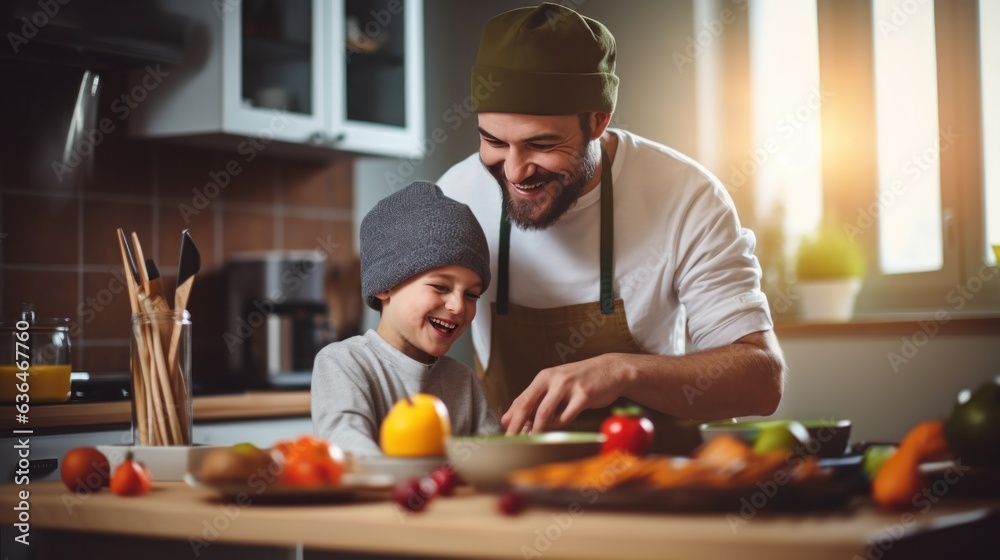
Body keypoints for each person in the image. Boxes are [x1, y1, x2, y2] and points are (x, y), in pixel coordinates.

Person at [436, 3, 786, 454]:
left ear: (598, 121)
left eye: (541, 144)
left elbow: (761, 379)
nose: (516, 171)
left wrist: (621, 371)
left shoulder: (687, 196)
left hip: (651, 478)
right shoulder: (456, 195)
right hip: (514, 481)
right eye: (494, 141)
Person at [311, 181, 502, 456]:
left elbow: (491, 455)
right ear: (385, 285)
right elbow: (348, 444)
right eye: (440, 287)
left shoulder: (463, 381)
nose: (458, 306)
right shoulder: (343, 363)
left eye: (472, 295)